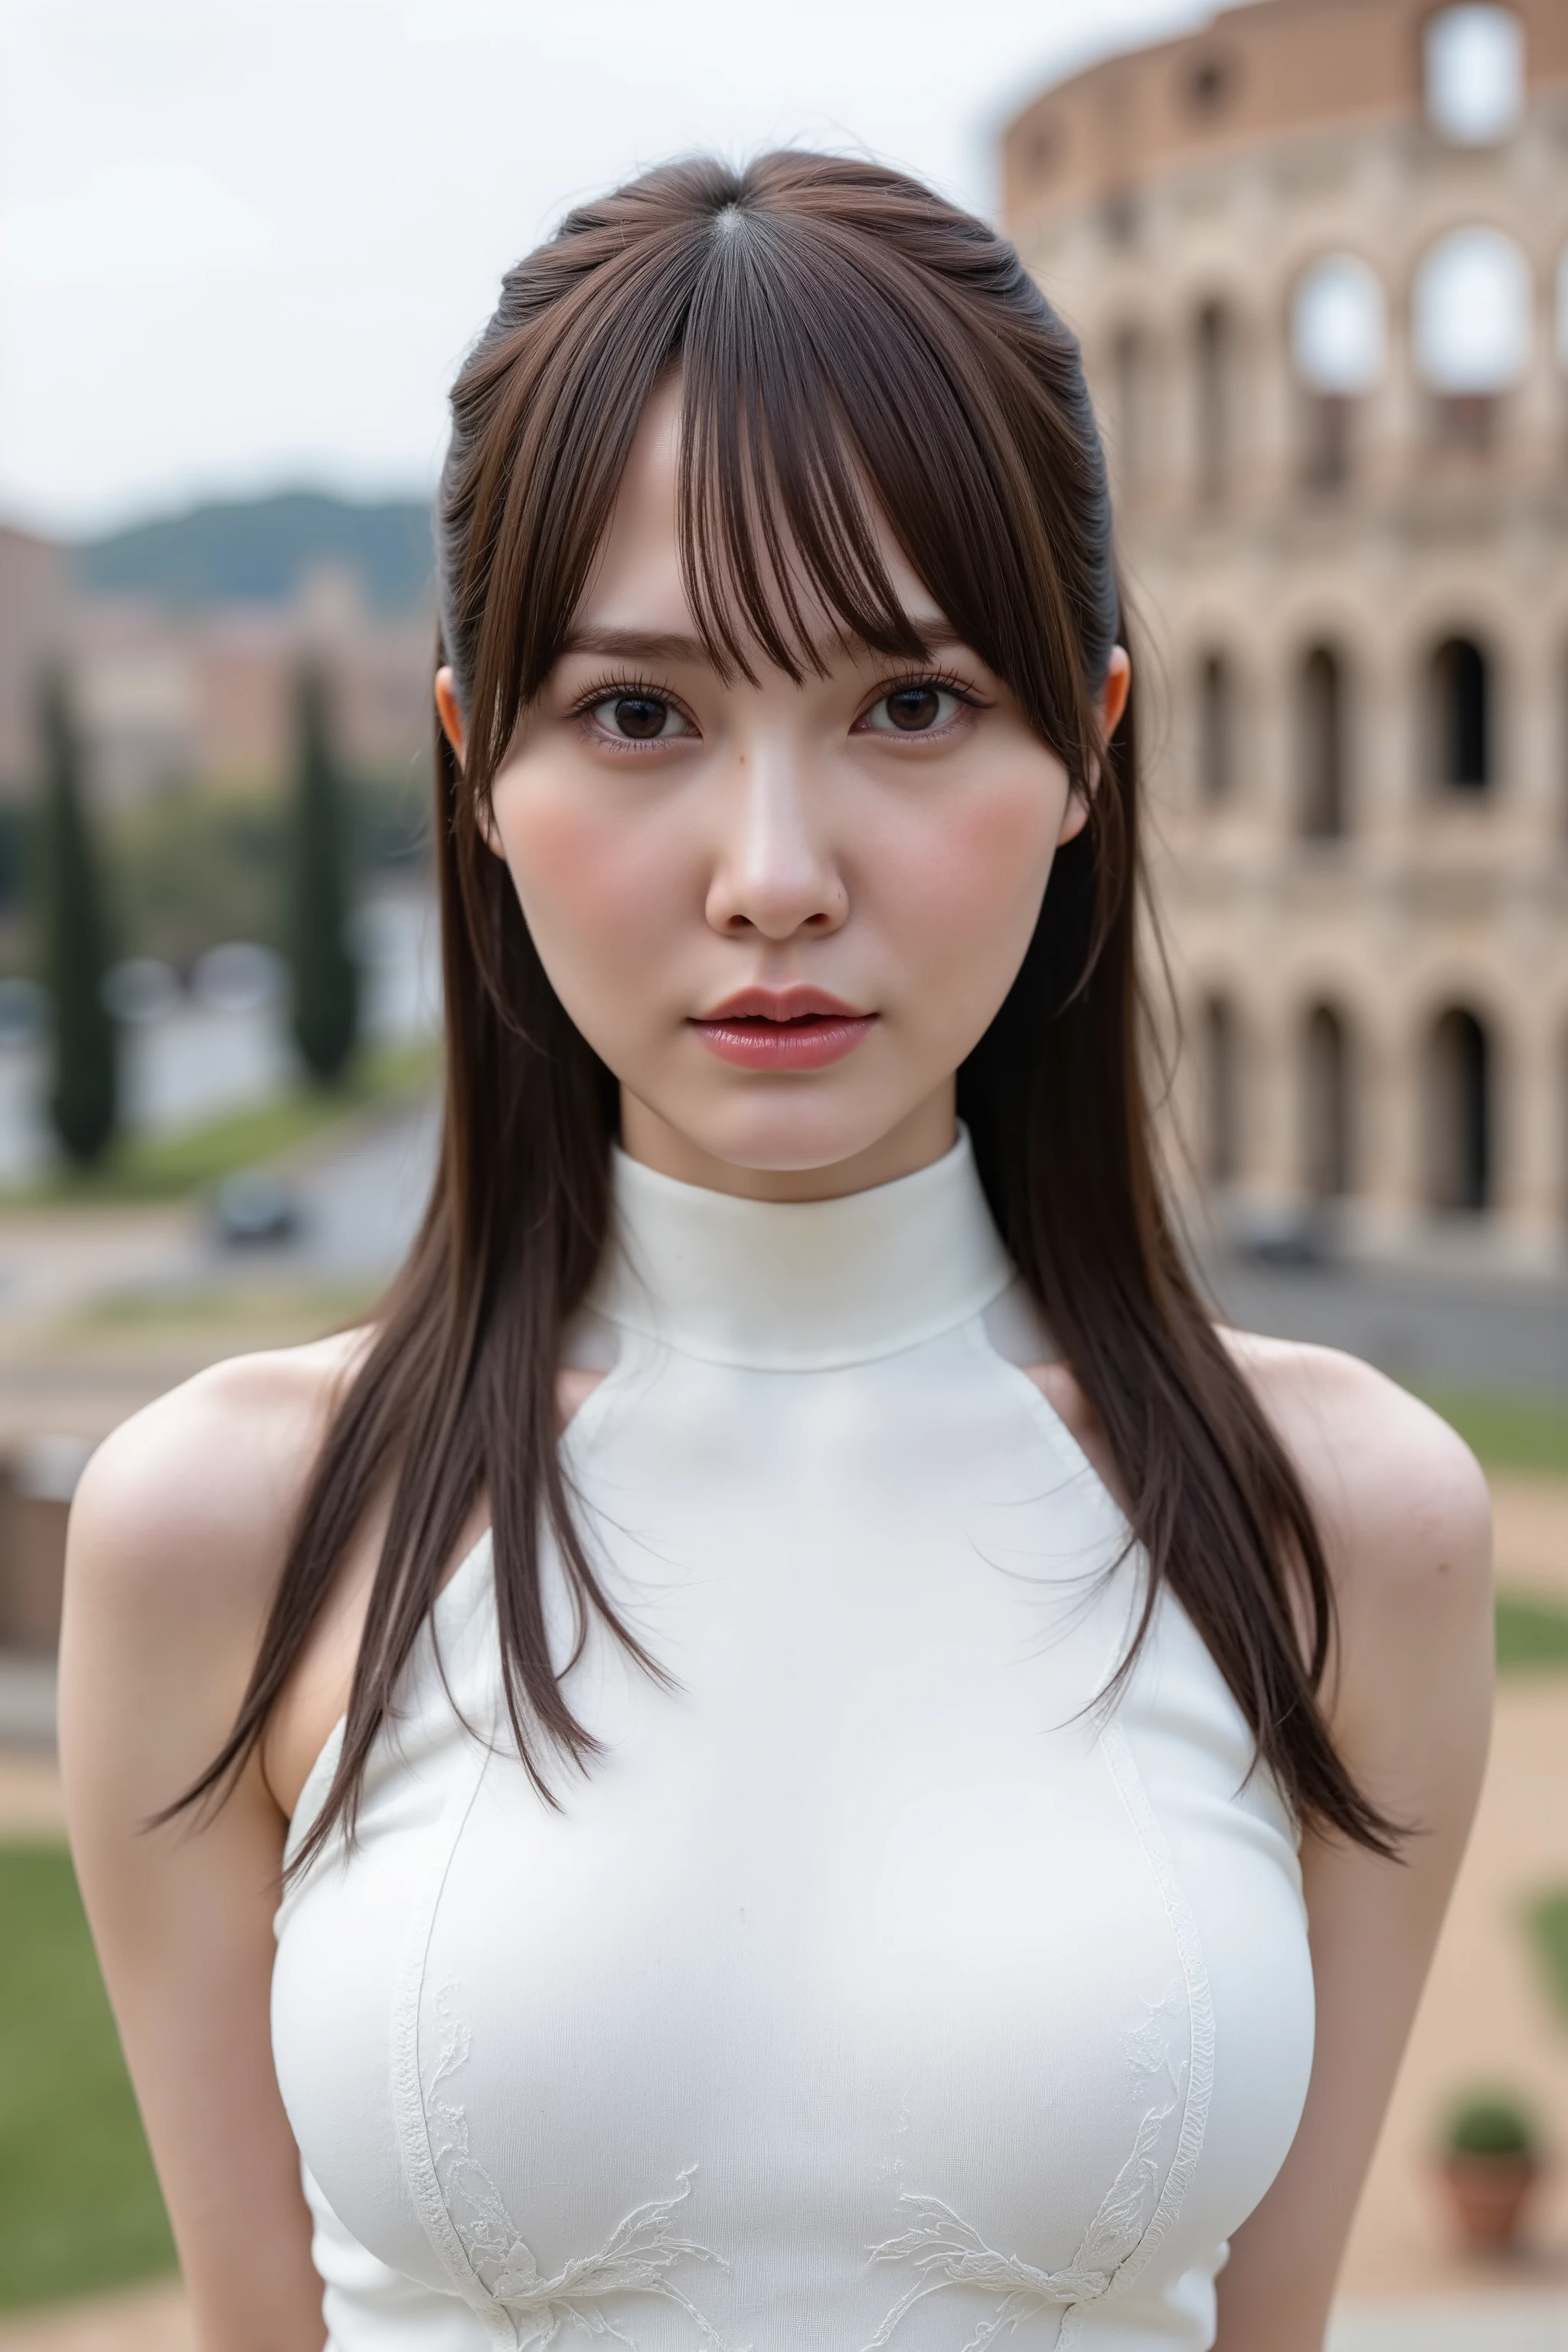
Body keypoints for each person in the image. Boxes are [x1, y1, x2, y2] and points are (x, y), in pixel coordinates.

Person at [60, 153, 1492, 2352]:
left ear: (1087, 742)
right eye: (638, 716)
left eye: (908, 704)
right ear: (476, 771)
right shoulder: (226, 1531)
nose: (773, 873)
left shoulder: (1346, 1529)